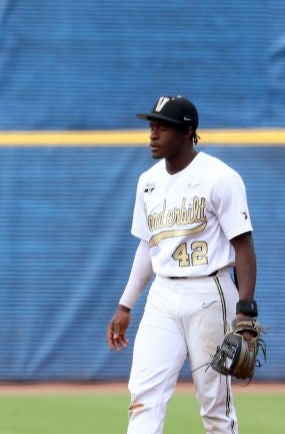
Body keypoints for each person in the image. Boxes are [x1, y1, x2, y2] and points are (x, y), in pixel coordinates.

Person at [107, 96, 260, 434]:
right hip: (162, 294)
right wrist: (125, 304)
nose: (153, 134)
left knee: (215, 405)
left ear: (188, 132)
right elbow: (149, 246)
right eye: (151, 126)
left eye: (163, 127)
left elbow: (243, 246)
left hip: (210, 292)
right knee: (143, 396)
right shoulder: (147, 181)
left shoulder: (220, 178)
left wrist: (246, 312)